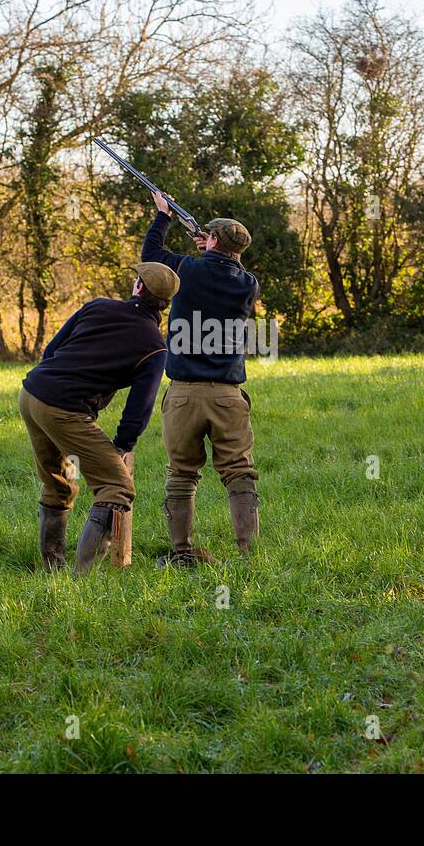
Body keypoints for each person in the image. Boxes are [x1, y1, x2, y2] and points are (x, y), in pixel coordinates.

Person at [18, 261, 179, 573]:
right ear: (165, 304)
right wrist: (122, 444)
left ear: (138, 287)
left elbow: (51, 350)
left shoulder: (97, 307)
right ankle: (82, 579)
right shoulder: (155, 347)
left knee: (59, 483)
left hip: (31, 394)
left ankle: (54, 570)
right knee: (117, 488)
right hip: (65, 410)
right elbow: (140, 405)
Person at [141, 191, 260, 566]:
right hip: (228, 395)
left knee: (181, 475)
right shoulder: (248, 283)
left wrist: (162, 216)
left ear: (211, 242)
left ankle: (182, 553)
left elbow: (152, 257)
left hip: (183, 396)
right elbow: (226, 267)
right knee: (240, 474)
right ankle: (248, 554)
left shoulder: (188, 270)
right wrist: (210, 247)